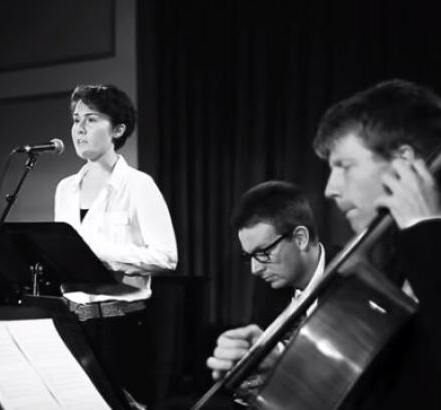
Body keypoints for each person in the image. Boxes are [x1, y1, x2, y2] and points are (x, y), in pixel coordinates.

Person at [208, 79, 441, 408]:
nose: (330, 188)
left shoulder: (423, 252)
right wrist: (280, 362)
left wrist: (426, 233)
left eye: (344, 166)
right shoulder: (395, 263)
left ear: (404, 162)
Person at [54, 84, 178, 406]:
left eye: (91, 119)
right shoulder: (65, 189)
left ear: (118, 129)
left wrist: (100, 256)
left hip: (119, 325)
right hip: (71, 323)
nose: (79, 128)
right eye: (76, 119)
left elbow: (166, 257)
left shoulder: (138, 185)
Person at [206, 181, 327, 400]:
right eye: (249, 256)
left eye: (263, 253)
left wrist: (281, 360)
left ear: (300, 239)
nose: (255, 269)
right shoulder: (267, 289)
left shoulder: (354, 285)